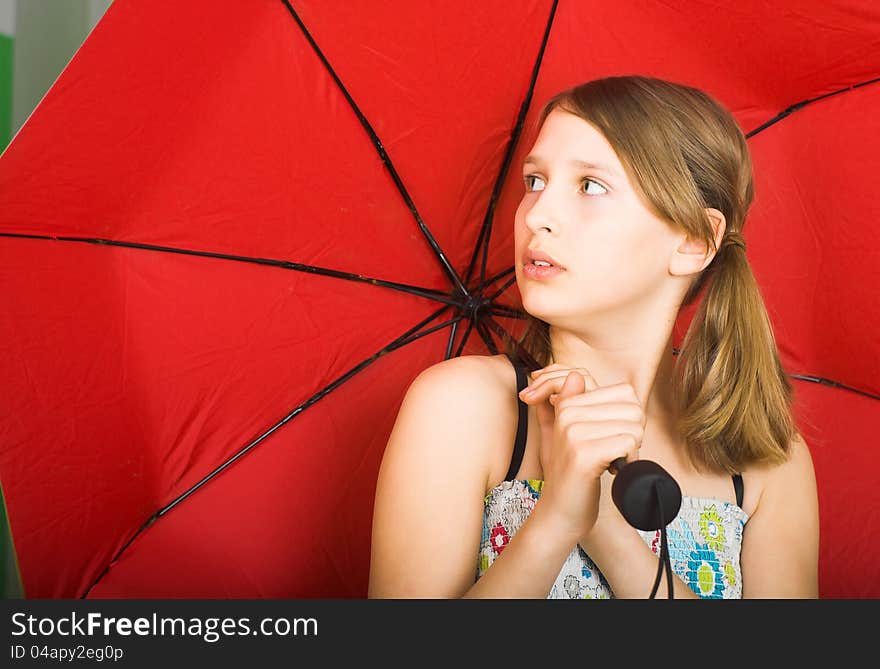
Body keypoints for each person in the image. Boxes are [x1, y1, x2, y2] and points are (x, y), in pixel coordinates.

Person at [367, 75, 820, 599]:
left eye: (590, 186)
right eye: (534, 181)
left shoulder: (766, 462)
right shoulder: (463, 408)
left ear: (695, 241)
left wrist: (606, 525)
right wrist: (556, 517)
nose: (537, 216)